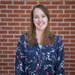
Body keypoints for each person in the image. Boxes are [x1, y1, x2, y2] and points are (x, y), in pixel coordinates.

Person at [15, 4, 65, 75]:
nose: (40, 20)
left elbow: (60, 70)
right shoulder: (23, 39)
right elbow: (19, 68)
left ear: (48, 18)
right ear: (32, 20)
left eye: (43, 16)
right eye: (36, 17)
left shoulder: (58, 42)